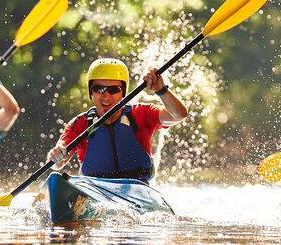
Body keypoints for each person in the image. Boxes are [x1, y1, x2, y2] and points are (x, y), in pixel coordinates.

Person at [46, 58, 188, 183]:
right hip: (95, 190)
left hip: (136, 190)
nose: (106, 96)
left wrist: (161, 90)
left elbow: (179, 115)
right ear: (91, 91)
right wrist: (55, 155)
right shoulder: (79, 124)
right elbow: (58, 163)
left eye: (113, 89)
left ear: (123, 92)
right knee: (55, 178)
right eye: (99, 89)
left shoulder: (142, 114)